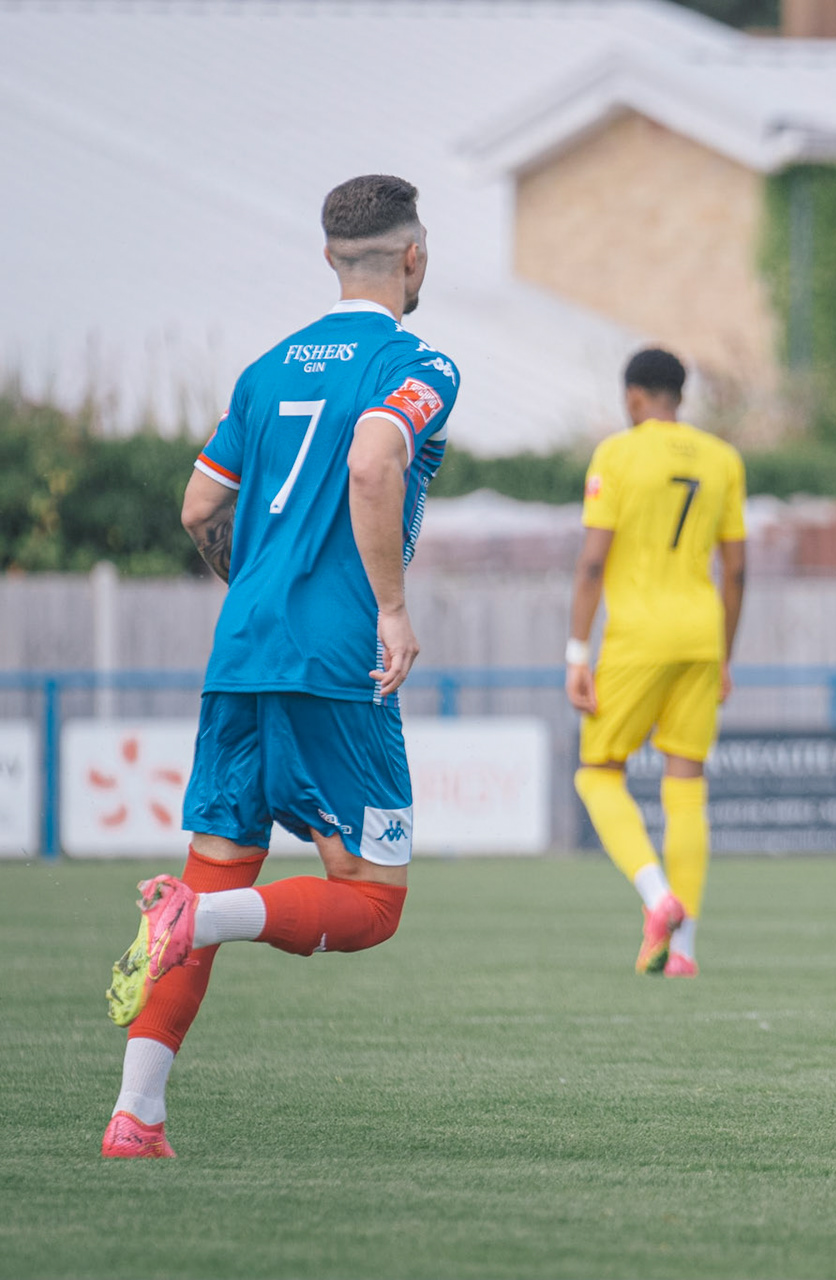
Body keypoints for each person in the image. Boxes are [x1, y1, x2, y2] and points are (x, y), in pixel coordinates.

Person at [101, 174, 459, 1158]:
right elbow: (374, 460)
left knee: (215, 862)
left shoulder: (265, 370)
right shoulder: (417, 362)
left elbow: (197, 507)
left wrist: (259, 586)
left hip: (241, 650)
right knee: (371, 900)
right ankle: (198, 917)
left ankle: (137, 1114)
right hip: (335, 660)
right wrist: (391, 607)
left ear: (329, 257)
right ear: (414, 256)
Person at [566, 347, 746, 978]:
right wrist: (725, 654)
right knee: (686, 787)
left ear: (634, 397)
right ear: (681, 396)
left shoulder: (617, 454)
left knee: (597, 773)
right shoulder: (722, 459)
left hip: (638, 637)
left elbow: (593, 561)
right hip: (701, 635)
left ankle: (657, 896)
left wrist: (577, 652)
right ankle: (685, 952)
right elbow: (737, 570)